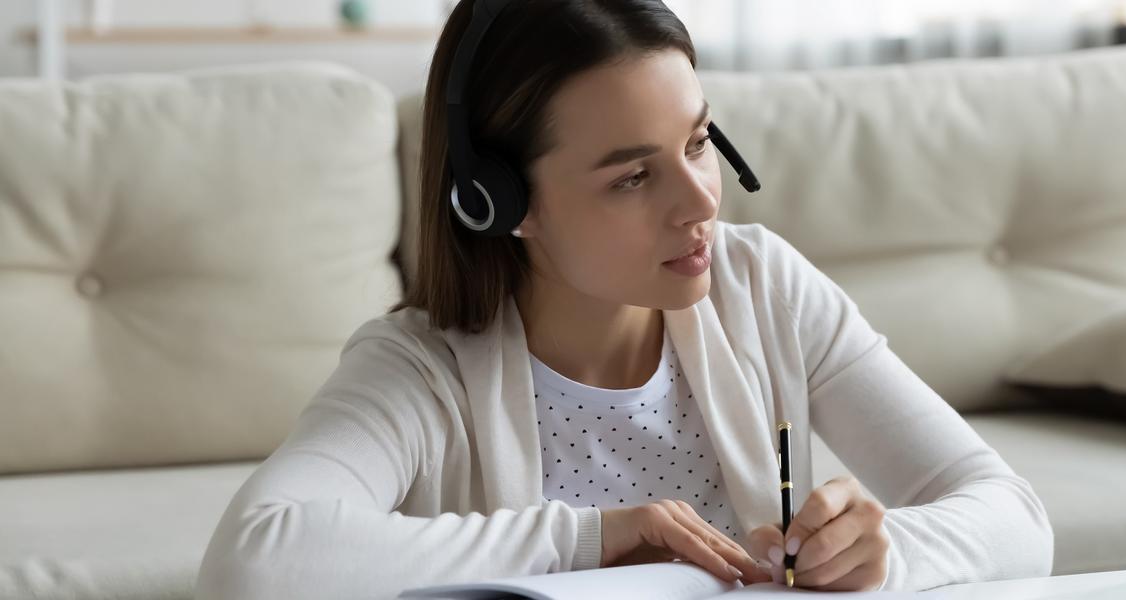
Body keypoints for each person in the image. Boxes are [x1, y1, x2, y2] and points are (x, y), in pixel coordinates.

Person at [195, 1, 1053, 597]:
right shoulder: (421, 369)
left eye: (698, 144)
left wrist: (883, 553)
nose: (701, 203)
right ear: (501, 203)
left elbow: (1016, 520)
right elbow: (256, 566)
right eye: (635, 176)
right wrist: (589, 539)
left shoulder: (765, 288)